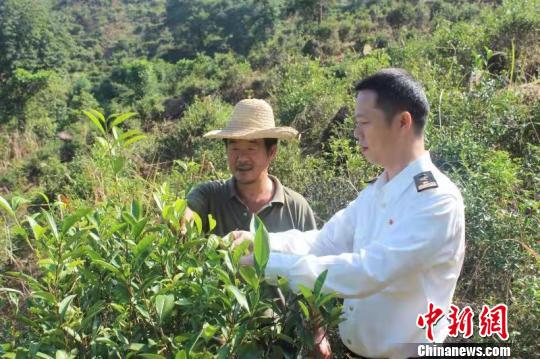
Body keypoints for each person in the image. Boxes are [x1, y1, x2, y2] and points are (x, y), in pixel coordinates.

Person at [232, 69, 466, 358]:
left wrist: (266, 264)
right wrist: (260, 242)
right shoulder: (376, 192)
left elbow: (368, 271)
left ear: (403, 122)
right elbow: (323, 243)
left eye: (364, 123)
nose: (357, 133)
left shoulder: (436, 200)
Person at [186, 98, 317, 237]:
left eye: (251, 149)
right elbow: (188, 209)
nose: (242, 158)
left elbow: (312, 254)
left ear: (271, 152)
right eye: (235, 148)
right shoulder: (209, 196)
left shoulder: (295, 208)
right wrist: (182, 217)